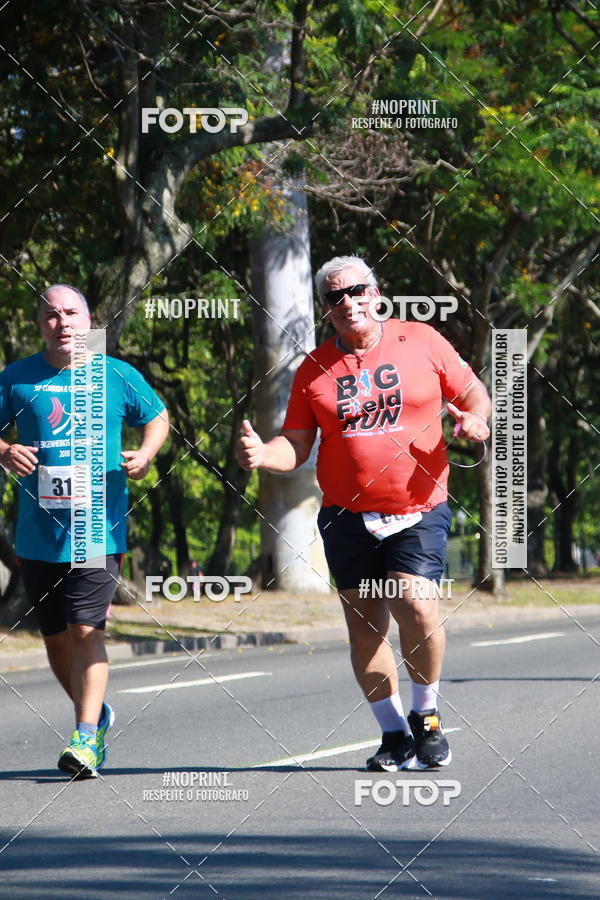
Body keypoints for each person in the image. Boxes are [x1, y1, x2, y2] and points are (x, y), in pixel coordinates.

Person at [237, 255, 491, 771]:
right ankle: (393, 734)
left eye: (356, 291)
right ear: (326, 309)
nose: (347, 302)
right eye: (335, 297)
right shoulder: (314, 369)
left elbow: (473, 396)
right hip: (346, 516)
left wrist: (476, 423)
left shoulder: (421, 340)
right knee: (365, 628)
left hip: (417, 507)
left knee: (416, 605)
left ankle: (427, 716)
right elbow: (296, 444)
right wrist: (266, 455)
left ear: (376, 294)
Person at [0, 284, 169, 778]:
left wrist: (146, 454)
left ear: (88, 319)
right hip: (38, 534)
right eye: (51, 315)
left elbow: (157, 417)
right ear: (40, 324)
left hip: (100, 530)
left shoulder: (115, 374)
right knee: (54, 639)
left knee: (84, 630)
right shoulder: (16, 378)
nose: (63, 322)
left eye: (71, 313)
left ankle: (85, 738)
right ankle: (96, 715)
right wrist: (4, 450)